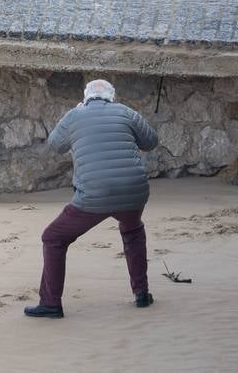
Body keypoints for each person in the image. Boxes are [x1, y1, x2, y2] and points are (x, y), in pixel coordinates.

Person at [23, 79, 159, 319]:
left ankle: (51, 303)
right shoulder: (126, 112)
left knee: (53, 237)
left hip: (95, 193)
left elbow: (56, 145)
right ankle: (141, 294)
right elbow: (151, 142)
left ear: (85, 97)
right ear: (112, 97)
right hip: (134, 190)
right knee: (132, 231)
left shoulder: (75, 114)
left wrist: (75, 113)